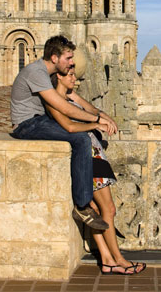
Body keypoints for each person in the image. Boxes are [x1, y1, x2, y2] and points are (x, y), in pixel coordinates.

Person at [10, 35, 116, 231]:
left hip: (38, 120)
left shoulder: (47, 75)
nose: (71, 62)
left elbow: (75, 99)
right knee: (81, 139)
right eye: (68, 58)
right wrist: (96, 121)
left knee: (90, 135)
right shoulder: (36, 72)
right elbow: (64, 109)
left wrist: (102, 116)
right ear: (54, 58)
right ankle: (83, 205)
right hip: (27, 125)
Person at [48, 65, 146, 276]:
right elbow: (70, 127)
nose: (75, 78)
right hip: (88, 158)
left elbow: (91, 109)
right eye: (70, 75)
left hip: (96, 154)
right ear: (58, 77)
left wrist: (104, 118)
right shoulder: (54, 101)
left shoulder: (70, 95)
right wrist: (95, 125)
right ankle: (119, 259)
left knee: (95, 211)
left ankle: (107, 259)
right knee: (108, 209)